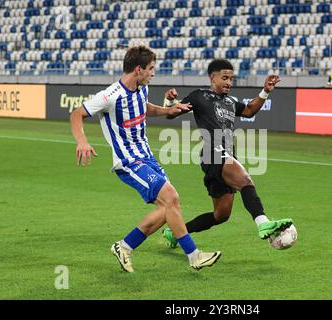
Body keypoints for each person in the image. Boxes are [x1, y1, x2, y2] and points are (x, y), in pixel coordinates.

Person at [69, 45, 221, 272]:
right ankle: (194, 256)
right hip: (128, 162)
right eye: (150, 68)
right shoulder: (110, 96)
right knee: (171, 196)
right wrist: (82, 141)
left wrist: (167, 110)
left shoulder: (142, 89)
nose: (153, 72)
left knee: (168, 207)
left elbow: (144, 108)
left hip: (147, 157)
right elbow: (76, 114)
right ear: (138, 69)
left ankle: (124, 246)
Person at [161, 59, 293, 249]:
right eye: (225, 78)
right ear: (212, 78)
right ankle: (263, 223)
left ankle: (175, 233)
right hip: (212, 152)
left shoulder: (230, 102)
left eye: (231, 79)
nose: (229, 83)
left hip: (227, 155)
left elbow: (248, 111)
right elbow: (171, 113)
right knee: (245, 181)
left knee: (221, 215)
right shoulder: (200, 96)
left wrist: (265, 92)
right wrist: (171, 101)